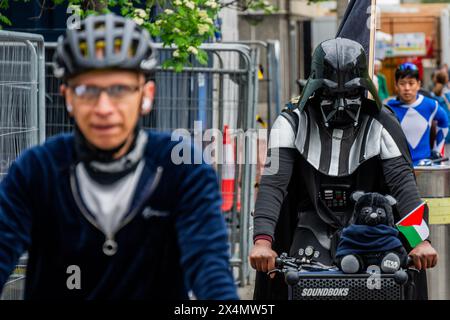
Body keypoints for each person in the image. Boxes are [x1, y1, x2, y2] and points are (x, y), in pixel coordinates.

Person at [0, 14, 238, 300]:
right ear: (68, 97)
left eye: (120, 90)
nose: (104, 107)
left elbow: (211, 272)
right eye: (87, 90)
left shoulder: (183, 167)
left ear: (146, 95)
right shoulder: (37, 169)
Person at [249, 38, 438, 300]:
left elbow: (403, 185)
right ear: (315, 90)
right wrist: (262, 242)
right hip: (308, 228)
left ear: (362, 90)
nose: (340, 106)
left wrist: (420, 242)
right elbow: (274, 183)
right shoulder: (291, 122)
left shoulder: (381, 123)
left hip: (372, 234)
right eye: (330, 95)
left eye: (350, 95)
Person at [387, 63, 448, 164]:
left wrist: (437, 150)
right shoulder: (389, 108)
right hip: (399, 169)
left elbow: (444, 121)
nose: (407, 88)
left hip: (425, 166)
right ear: (396, 85)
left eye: (411, 83)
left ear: (418, 84)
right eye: (402, 83)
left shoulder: (431, 105)